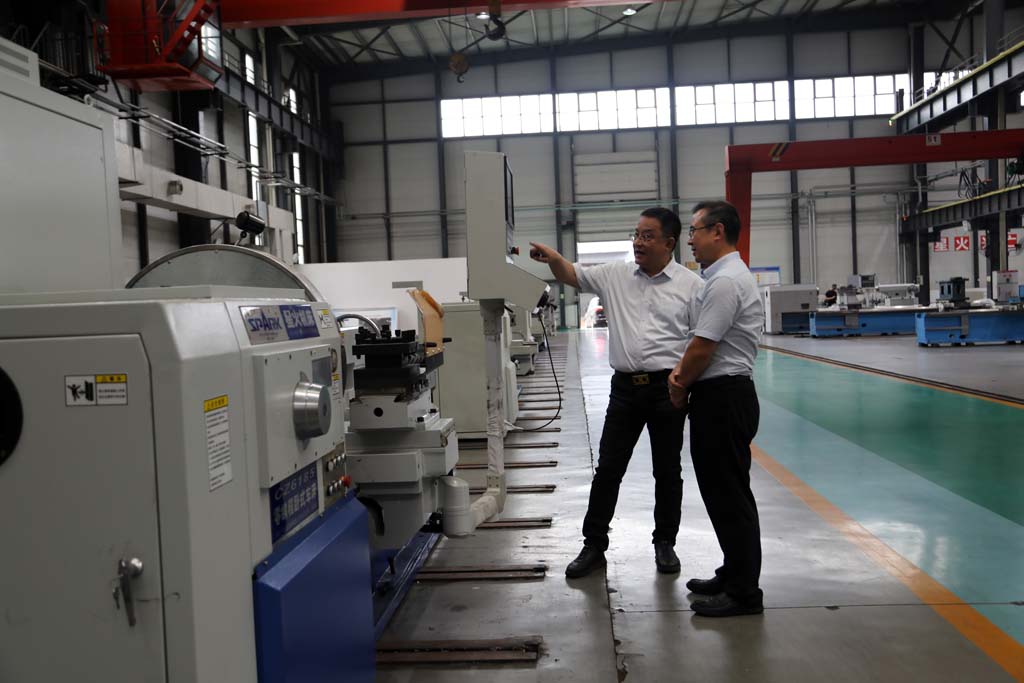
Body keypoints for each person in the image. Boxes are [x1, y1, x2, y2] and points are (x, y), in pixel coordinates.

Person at [530, 208, 704, 579]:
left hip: (667, 389)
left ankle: (665, 542)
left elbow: (699, 340)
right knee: (609, 468)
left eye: (647, 236)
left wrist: (683, 382)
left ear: (669, 243)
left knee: (667, 470)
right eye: (636, 234)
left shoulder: (691, 286)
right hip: (625, 390)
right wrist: (554, 257)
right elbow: (571, 273)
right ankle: (594, 545)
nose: (638, 242)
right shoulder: (615, 275)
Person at [668, 200, 765, 618]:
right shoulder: (721, 277)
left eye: (694, 230)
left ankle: (744, 593)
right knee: (723, 493)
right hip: (722, 396)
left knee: (729, 496)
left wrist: (678, 384)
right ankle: (734, 572)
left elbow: (702, 346)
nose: (690, 239)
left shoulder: (725, 282)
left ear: (718, 231)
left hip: (724, 397)